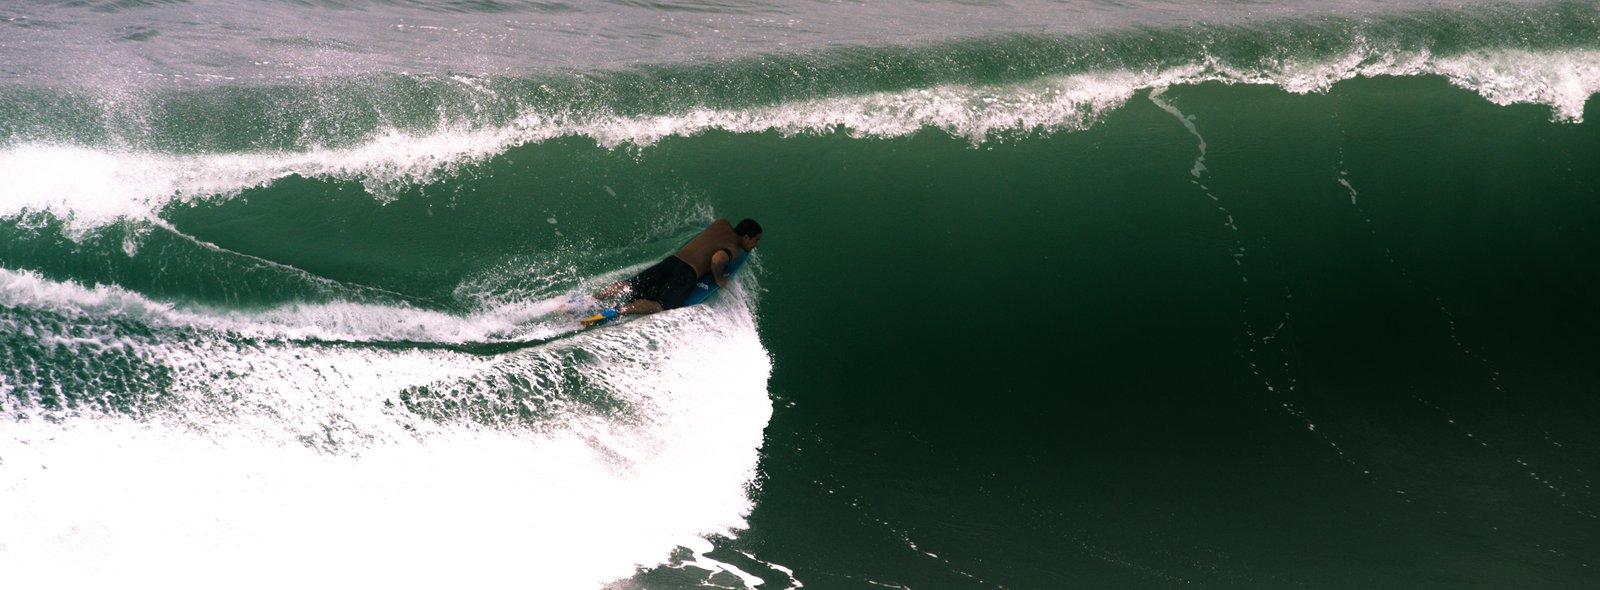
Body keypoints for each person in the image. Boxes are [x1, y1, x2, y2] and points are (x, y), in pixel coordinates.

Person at [582, 218, 762, 327]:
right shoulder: (734, 250)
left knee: (631, 284)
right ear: (746, 237)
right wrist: (719, 278)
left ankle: (590, 299)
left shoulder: (721, 223)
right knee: (661, 305)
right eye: (755, 240)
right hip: (687, 273)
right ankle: (618, 311)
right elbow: (717, 259)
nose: (755, 245)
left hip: (672, 261)